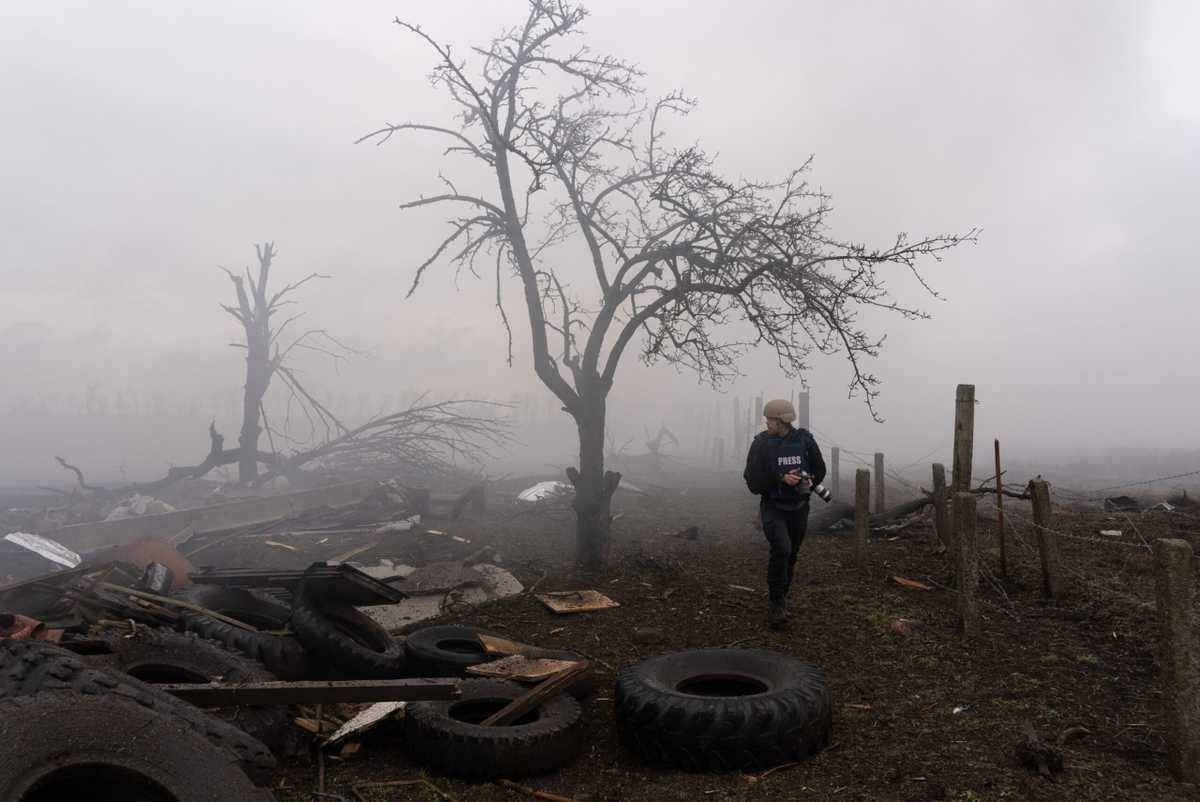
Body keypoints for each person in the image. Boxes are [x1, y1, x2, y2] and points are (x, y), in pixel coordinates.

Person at [743, 398, 826, 628]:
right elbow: (751, 480)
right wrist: (780, 478)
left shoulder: (805, 441)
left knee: (791, 555)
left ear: (783, 420)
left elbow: (820, 470)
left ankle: (782, 595)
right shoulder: (760, 444)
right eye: (767, 419)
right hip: (772, 506)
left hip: (799, 507)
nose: (767, 423)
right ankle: (776, 604)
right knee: (781, 548)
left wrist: (807, 479)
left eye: (771, 419)